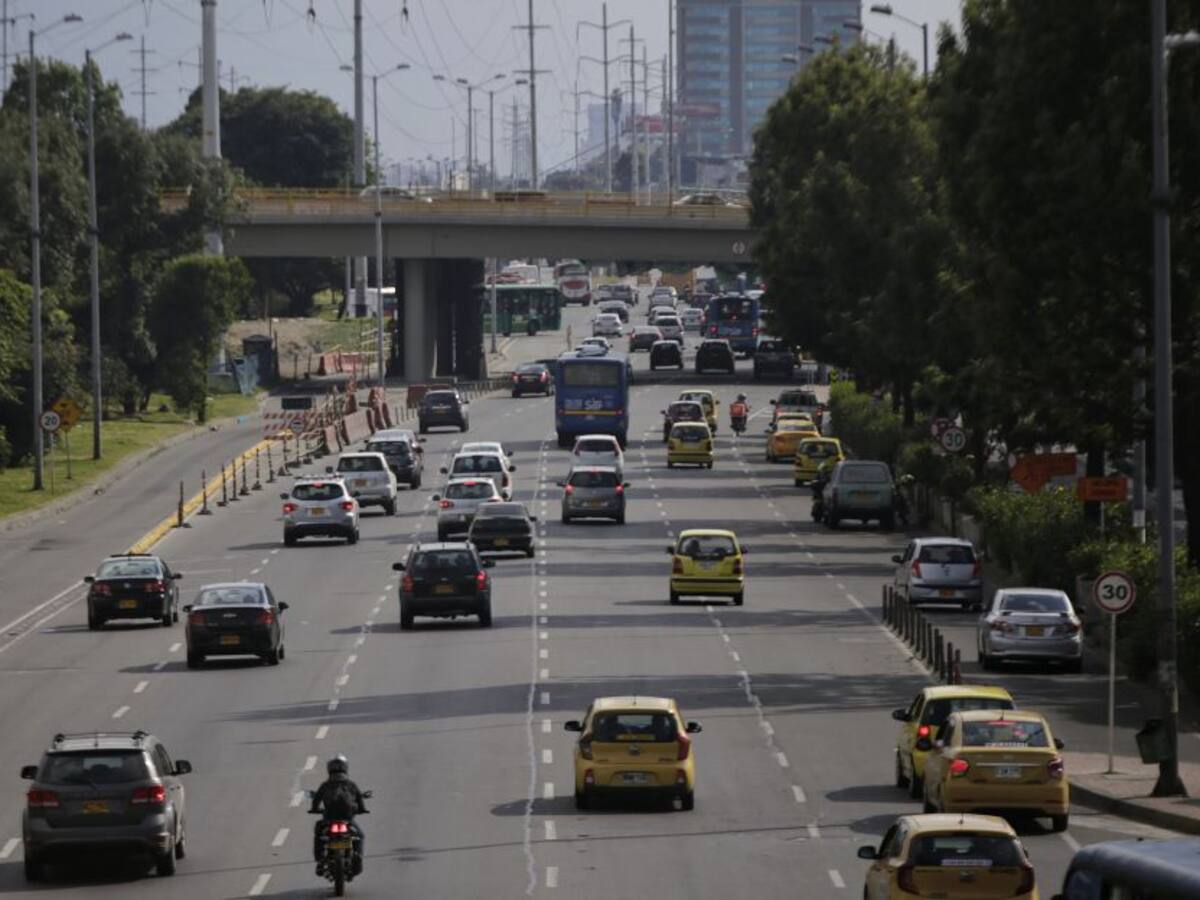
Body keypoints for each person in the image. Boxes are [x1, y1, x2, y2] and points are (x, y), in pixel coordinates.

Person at [310, 754, 369, 875]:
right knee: (360, 836)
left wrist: (314, 809)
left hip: (329, 819)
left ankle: (320, 859)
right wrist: (362, 809)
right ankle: (358, 855)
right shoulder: (351, 784)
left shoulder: (325, 785)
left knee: (318, 835)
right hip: (347, 819)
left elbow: (316, 800)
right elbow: (359, 800)